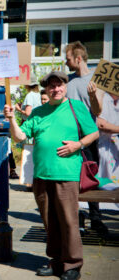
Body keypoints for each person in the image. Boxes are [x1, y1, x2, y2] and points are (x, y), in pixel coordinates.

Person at [4, 71, 99, 280]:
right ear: (45, 89)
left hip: (67, 174)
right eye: (51, 86)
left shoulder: (76, 107)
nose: (56, 89)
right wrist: (11, 119)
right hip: (41, 176)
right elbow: (20, 136)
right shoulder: (38, 112)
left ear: (65, 86)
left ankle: (72, 264)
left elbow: (94, 133)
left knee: (69, 221)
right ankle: (56, 261)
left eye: (59, 85)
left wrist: (78, 144)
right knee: (49, 222)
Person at [64, 41, 107, 234]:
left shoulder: (96, 81)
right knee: (71, 177)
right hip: (68, 136)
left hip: (88, 136)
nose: (66, 62)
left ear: (78, 58)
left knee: (91, 175)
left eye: (68, 59)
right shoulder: (66, 80)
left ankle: (95, 217)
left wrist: (92, 97)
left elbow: (98, 111)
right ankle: (78, 216)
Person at [88, 82, 119, 183]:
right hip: (107, 146)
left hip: (114, 146)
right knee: (109, 184)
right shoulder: (105, 99)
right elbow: (101, 124)